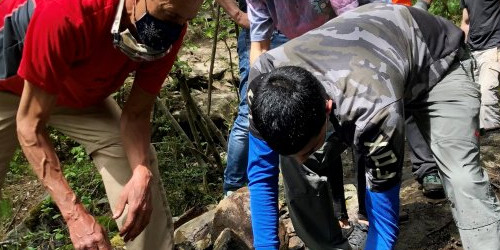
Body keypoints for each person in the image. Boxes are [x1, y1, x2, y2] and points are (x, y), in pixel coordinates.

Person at [247, 3, 500, 249]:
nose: (304, 160)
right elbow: (261, 177)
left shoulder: (374, 110)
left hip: (436, 62)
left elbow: (384, 223)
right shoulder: (263, 83)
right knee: (295, 167)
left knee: (462, 177)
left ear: (327, 110)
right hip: (372, 63)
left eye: (310, 149)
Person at [0, 0, 202, 248]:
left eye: (185, 19)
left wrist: (140, 169)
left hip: (73, 88)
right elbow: (30, 126)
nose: (174, 27)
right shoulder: (69, 10)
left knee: (134, 164)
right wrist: (75, 216)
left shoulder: (170, 33)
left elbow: (136, 114)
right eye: (170, 14)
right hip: (5, 87)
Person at [214, 0, 288, 198]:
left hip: (292, 28)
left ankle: (282, 187)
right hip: (260, 28)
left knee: (290, 103)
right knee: (250, 108)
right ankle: (234, 187)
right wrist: (237, 14)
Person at [460, 0, 500, 133]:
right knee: (471, 100)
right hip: (471, 51)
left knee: (487, 95)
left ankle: (492, 146)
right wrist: (460, 48)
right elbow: (466, 21)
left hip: (493, 47)